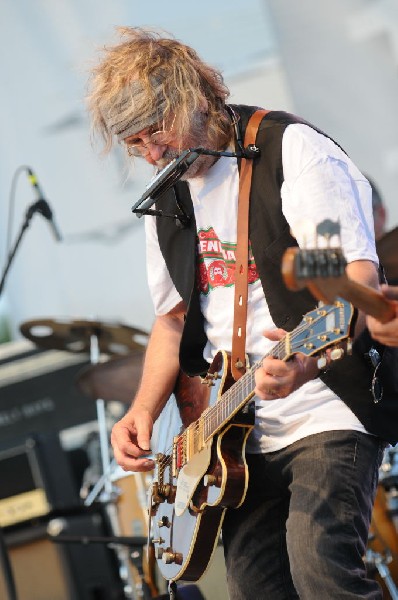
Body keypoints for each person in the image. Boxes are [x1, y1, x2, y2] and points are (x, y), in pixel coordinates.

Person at [86, 27, 398, 599]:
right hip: (235, 434)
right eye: (136, 145)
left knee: (322, 570)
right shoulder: (170, 194)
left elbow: (350, 277)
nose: (153, 154)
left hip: (326, 404)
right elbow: (172, 318)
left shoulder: (292, 152)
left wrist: (304, 363)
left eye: (157, 131)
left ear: (194, 96)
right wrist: (144, 411)